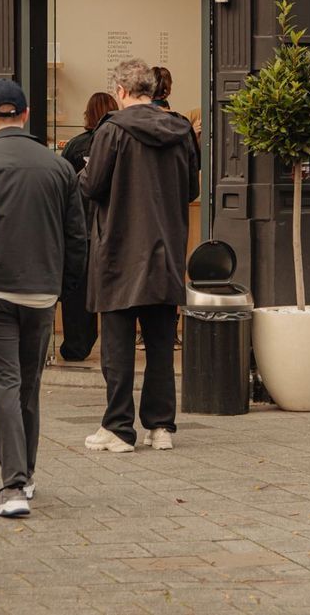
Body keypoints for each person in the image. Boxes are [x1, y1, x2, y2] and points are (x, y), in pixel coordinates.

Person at [0, 79, 87, 518]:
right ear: (25, 115)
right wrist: (64, 289)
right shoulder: (59, 167)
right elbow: (76, 237)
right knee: (28, 385)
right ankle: (24, 475)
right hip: (41, 291)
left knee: (3, 384)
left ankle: (11, 485)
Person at [80, 58, 199, 453]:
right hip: (165, 246)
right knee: (162, 343)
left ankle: (118, 428)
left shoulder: (112, 131)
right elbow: (192, 190)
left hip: (119, 248)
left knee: (117, 346)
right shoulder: (181, 130)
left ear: (121, 91)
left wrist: (83, 171)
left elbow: (92, 185)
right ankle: (161, 427)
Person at [57, 92, 118, 362]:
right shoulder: (121, 143)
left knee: (77, 289)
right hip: (113, 227)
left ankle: (77, 345)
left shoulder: (74, 146)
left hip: (81, 226)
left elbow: (64, 188)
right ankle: (115, 348)